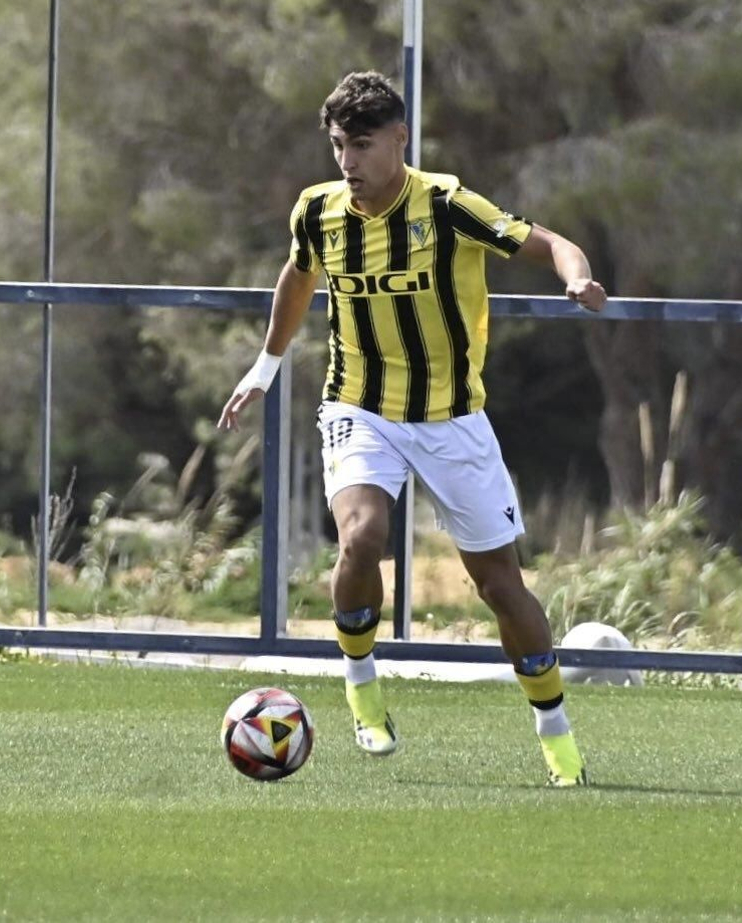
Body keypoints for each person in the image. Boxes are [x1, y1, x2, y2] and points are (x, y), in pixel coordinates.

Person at [218, 71, 607, 786]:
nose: (348, 163)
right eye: (338, 146)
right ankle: (361, 683)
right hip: (358, 406)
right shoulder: (319, 211)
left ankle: (556, 736)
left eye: (362, 145)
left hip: (453, 418)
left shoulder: (447, 204)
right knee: (362, 535)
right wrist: (265, 368)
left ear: (399, 138)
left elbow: (550, 242)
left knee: (499, 586)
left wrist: (576, 280)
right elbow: (298, 277)